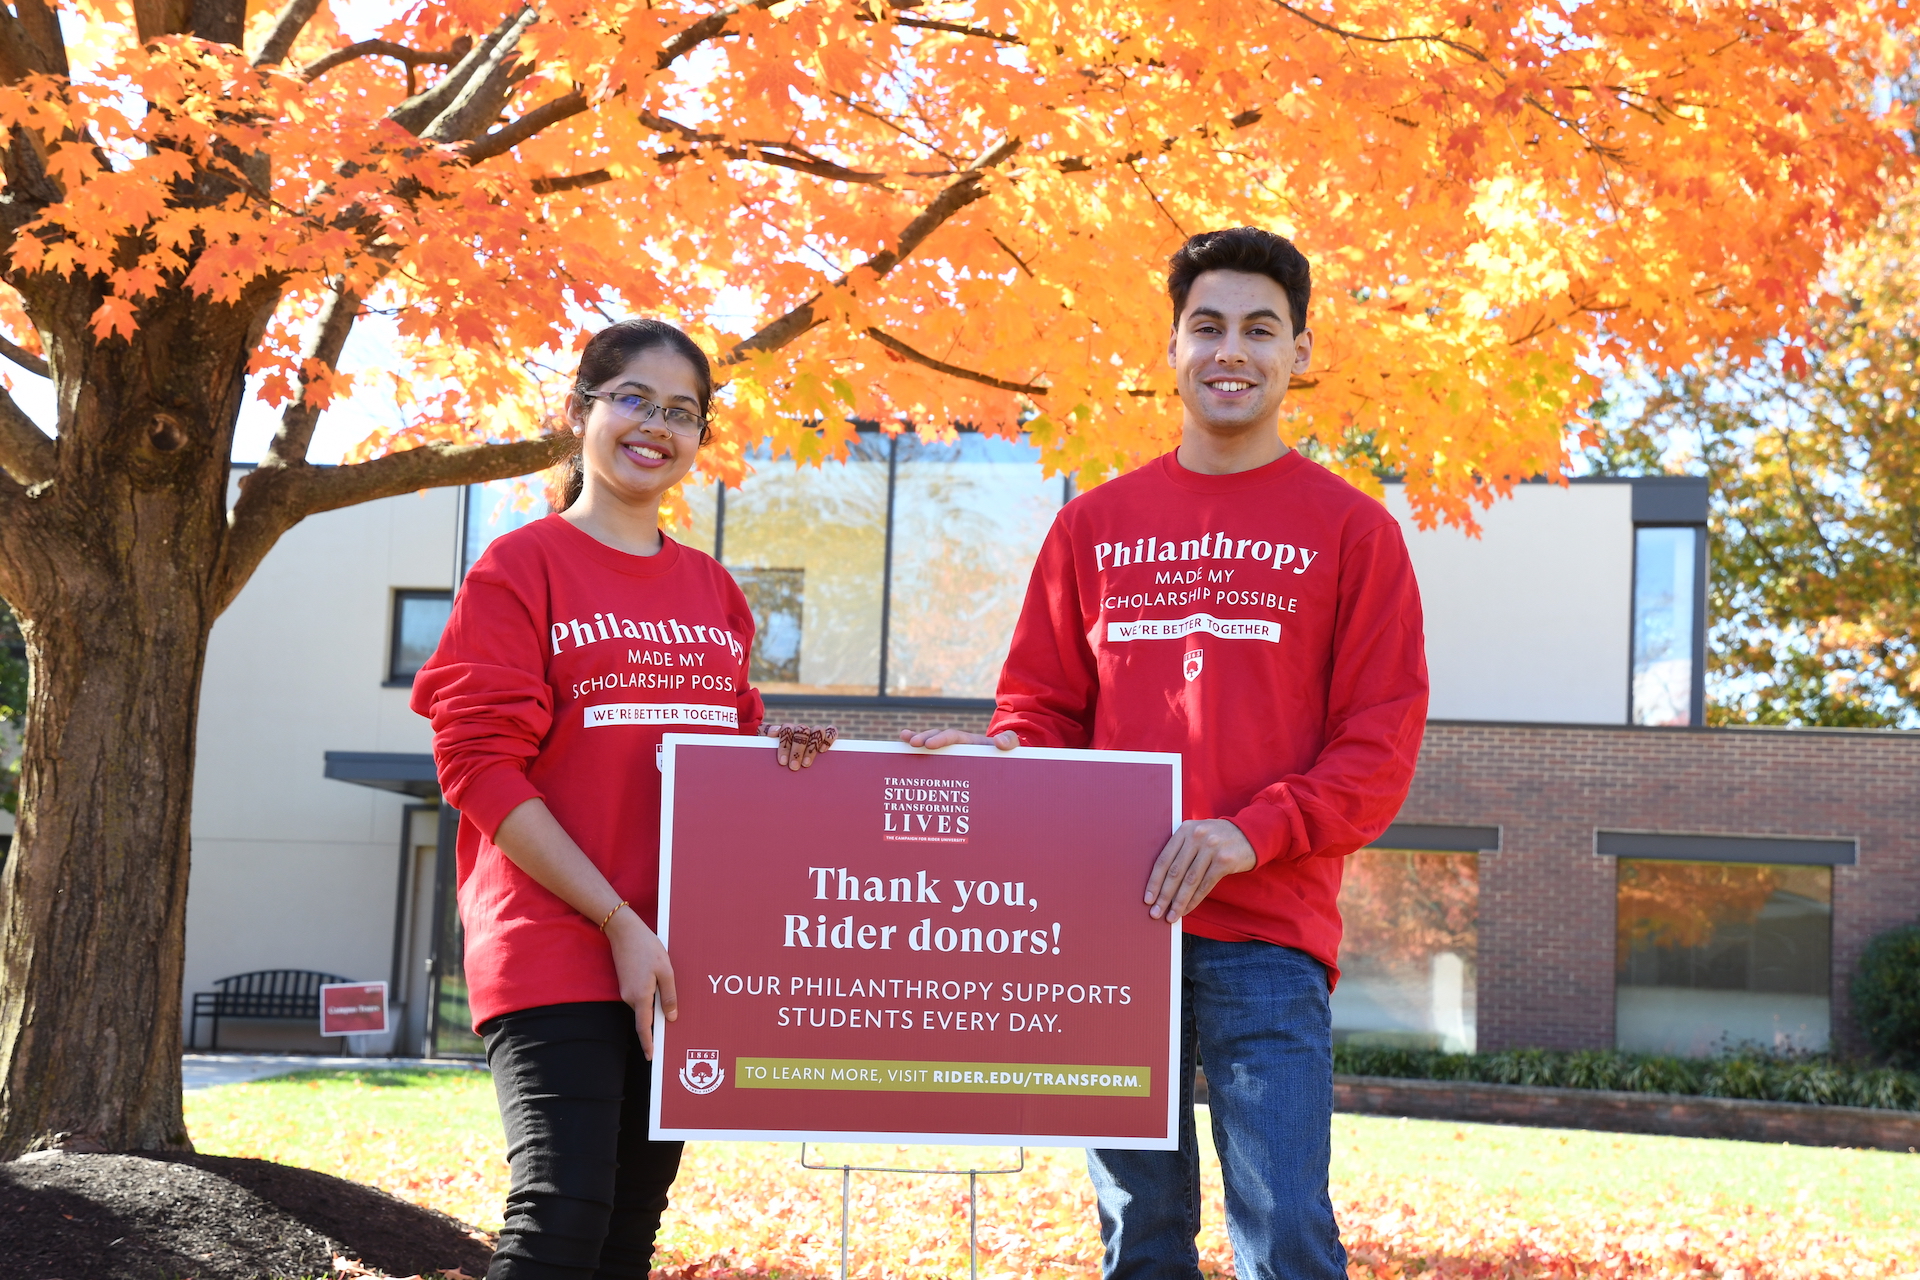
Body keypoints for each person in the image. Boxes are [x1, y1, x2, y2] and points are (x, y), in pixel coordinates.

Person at [905, 227, 1428, 1279]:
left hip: (1267, 936)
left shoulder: (1353, 532)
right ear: (1174, 347)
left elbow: (1377, 747)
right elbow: (1044, 707)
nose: (1231, 350)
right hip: (1111, 931)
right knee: (1139, 1239)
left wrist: (1248, 833)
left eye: (1259, 329)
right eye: (1207, 327)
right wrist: (1007, 759)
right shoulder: (1093, 525)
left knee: (1284, 1232)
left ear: (1300, 351)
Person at [411, 318, 832, 1280]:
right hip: (555, 936)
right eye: (634, 399)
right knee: (561, 1217)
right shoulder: (519, 568)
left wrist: (780, 755)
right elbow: (478, 769)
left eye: (681, 411)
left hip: (677, 957)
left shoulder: (715, 591)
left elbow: (713, 765)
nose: (657, 426)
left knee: (625, 1235)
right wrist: (614, 917)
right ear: (581, 412)